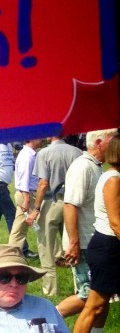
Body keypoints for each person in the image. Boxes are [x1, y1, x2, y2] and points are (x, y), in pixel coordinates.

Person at [57, 128, 117, 319]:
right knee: (87, 295)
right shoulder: (83, 166)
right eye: (112, 140)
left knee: (102, 295)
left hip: (93, 240)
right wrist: (74, 243)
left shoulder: (97, 166)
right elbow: (70, 206)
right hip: (83, 243)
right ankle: (46, 319)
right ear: (99, 143)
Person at [25, 135, 83, 296]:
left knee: (46, 248)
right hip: (73, 203)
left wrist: (36, 208)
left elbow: (43, 183)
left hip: (52, 201)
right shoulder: (77, 152)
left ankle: (50, 290)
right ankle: (80, 286)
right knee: (72, 246)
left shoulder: (44, 153)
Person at [73, 135, 119, 333]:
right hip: (108, 247)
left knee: (102, 302)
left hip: (110, 246)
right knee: (94, 305)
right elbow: (116, 223)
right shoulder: (114, 180)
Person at [8, 138, 42, 257]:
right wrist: (27, 200)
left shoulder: (28, 154)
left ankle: (11, 254)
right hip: (28, 195)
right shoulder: (27, 156)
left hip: (27, 194)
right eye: (40, 137)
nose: (42, 139)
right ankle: (11, 255)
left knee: (19, 228)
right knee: (42, 225)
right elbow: (23, 180)